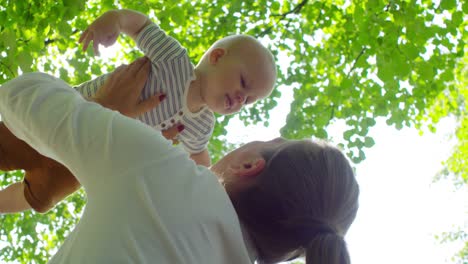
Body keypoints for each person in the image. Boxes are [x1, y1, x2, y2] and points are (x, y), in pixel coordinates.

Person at [0, 57, 359, 263]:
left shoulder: (166, 173)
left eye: (268, 140)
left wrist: (108, 110)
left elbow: (21, 96)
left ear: (249, 166)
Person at [0, 8, 277, 213]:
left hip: (90, 154)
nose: (241, 99)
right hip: (72, 113)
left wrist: (209, 187)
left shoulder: (203, 125)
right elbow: (142, 27)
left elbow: (199, 158)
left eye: (249, 100)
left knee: (40, 197)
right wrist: (115, 20)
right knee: (9, 143)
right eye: (243, 83)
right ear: (217, 56)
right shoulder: (175, 61)